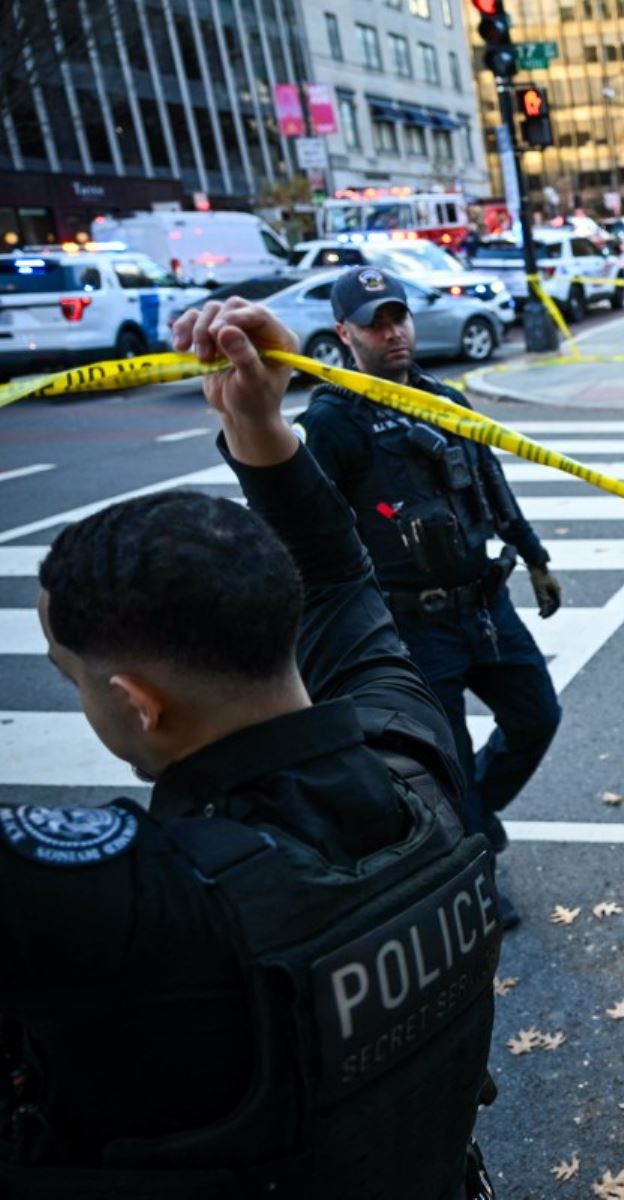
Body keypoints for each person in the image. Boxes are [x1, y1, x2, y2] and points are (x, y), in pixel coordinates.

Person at [3, 297, 501, 1199]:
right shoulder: (413, 755)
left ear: (137, 703)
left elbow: (336, 578)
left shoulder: (140, 903)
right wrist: (260, 423)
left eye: (71, 676)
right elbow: (338, 575)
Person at [294, 266, 563, 929]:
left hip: (484, 606)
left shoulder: (444, 397)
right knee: (447, 763)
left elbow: (490, 480)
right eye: (375, 325)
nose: (393, 334)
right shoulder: (333, 420)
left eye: (399, 318)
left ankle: (474, 813)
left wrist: (534, 557)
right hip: (410, 622)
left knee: (536, 716)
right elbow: (309, 530)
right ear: (345, 333)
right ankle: (473, 882)